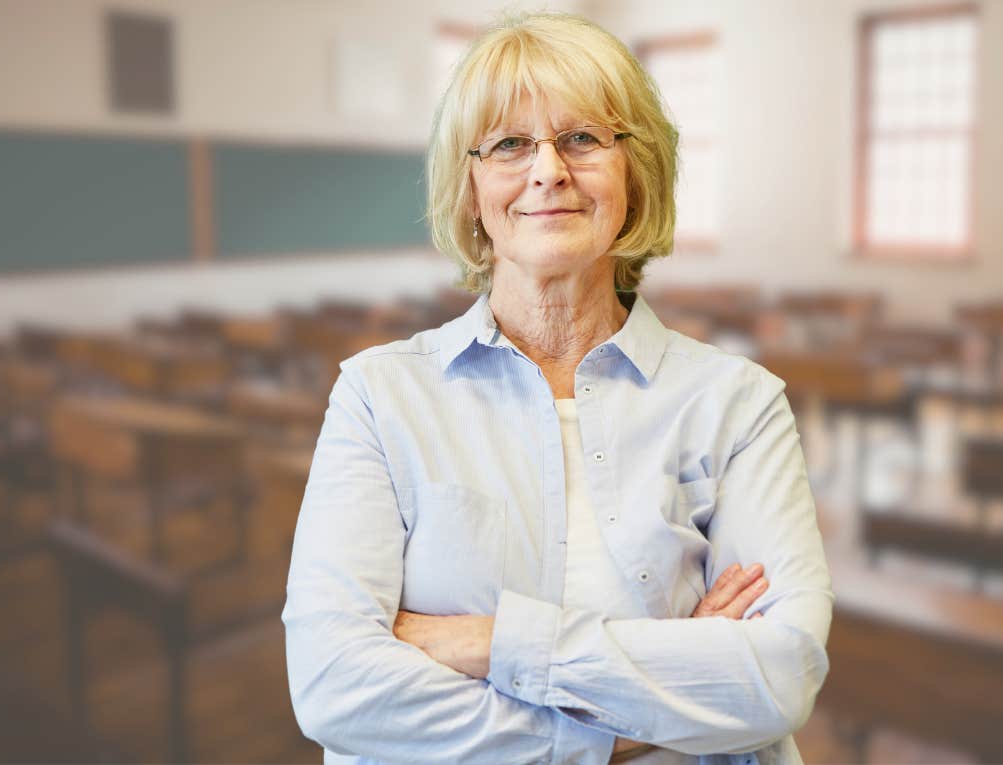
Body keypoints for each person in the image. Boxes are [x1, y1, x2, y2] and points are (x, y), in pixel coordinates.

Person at [283, 12, 832, 765]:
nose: (548, 170)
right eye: (510, 144)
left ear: (634, 175)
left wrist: (487, 640)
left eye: (582, 139)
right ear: (471, 189)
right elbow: (334, 685)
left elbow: (777, 679)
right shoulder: (380, 396)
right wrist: (629, 726)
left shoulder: (739, 404)